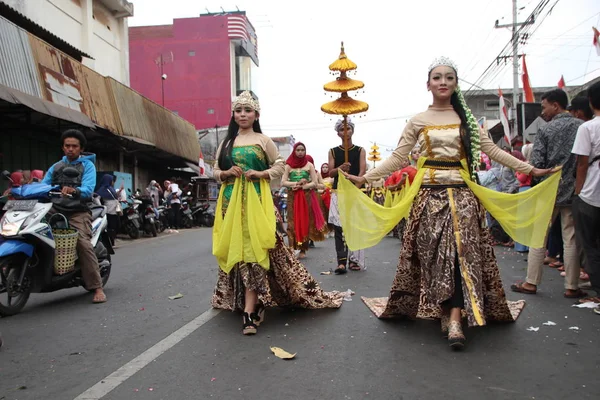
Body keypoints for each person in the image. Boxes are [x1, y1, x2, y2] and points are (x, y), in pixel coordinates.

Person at [343, 57, 556, 349]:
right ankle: (446, 309)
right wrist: (365, 178)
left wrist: (531, 169)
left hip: (464, 196)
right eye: (437, 77)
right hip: (428, 198)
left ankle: (456, 319)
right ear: (428, 84)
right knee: (433, 258)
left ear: (456, 84)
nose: (443, 82)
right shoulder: (418, 120)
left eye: (450, 78)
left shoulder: (467, 119)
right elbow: (398, 159)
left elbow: (492, 151)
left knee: (459, 255)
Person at [211, 91, 343, 335]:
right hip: (230, 204)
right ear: (233, 114)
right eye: (238, 110)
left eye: (247, 110)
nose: (243, 115)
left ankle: (250, 310)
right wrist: (227, 174)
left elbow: (280, 165)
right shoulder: (226, 143)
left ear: (256, 114)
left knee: (255, 250)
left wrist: (260, 174)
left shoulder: (264, 140)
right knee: (237, 250)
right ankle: (246, 299)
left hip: (258, 203)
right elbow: (215, 170)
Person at [511, 89, 584, 299]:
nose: (543, 111)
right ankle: (572, 285)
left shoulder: (546, 130)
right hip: (575, 188)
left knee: (539, 235)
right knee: (570, 238)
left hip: (548, 189)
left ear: (556, 105)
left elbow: (537, 164)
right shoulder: (581, 126)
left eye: (544, 106)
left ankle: (531, 282)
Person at [42, 129, 107, 304]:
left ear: (81, 148)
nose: (70, 149)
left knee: (83, 243)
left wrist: (75, 190)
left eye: (74, 146)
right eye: (67, 146)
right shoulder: (56, 167)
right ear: (62, 148)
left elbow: (88, 189)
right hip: (55, 209)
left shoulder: (88, 166)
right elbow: (43, 185)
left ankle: (97, 287)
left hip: (78, 211)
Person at [572, 82, 600, 308]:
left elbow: (582, 163)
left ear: (591, 102)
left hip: (591, 193)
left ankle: (599, 292)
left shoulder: (588, 128)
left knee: (590, 246)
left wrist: (578, 191)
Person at [327, 118, 367, 273]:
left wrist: (355, 187)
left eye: (348, 128)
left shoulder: (360, 150)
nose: (345, 132)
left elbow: (362, 171)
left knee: (355, 225)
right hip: (339, 192)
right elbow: (330, 172)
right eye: (342, 129)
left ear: (353, 130)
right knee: (339, 227)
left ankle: (354, 260)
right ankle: (341, 261)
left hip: (356, 191)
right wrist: (340, 168)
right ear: (338, 133)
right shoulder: (333, 151)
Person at [281, 143, 328, 258]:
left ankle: (303, 249)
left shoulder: (309, 165)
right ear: (294, 151)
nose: (300, 152)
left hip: (306, 196)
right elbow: (283, 182)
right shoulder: (288, 166)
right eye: (298, 150)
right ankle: (292, 248)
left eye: (302, 150)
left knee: (304, 221)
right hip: (292, 196)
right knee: (291, 222)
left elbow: (315, 182)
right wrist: (296, 184)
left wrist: (303, 186)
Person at [514, 144, 533, 253]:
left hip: (525, 190)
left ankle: (523, 246)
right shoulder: (530, 164)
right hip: (527, 190)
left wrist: (517, 172)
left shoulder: (526, 164)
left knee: (523, 218)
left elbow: (521, 178)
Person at [96, 174, 121, 245]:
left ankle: (112, 240)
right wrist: (101, 207)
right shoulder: (102, 189)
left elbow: (114, 196)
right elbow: (96, 198)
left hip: (115, 210)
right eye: (111, 180)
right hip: (109, 210)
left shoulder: (111, 188)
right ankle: (111, 242)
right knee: (111, 226)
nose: (112, 182)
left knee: (116, 225)